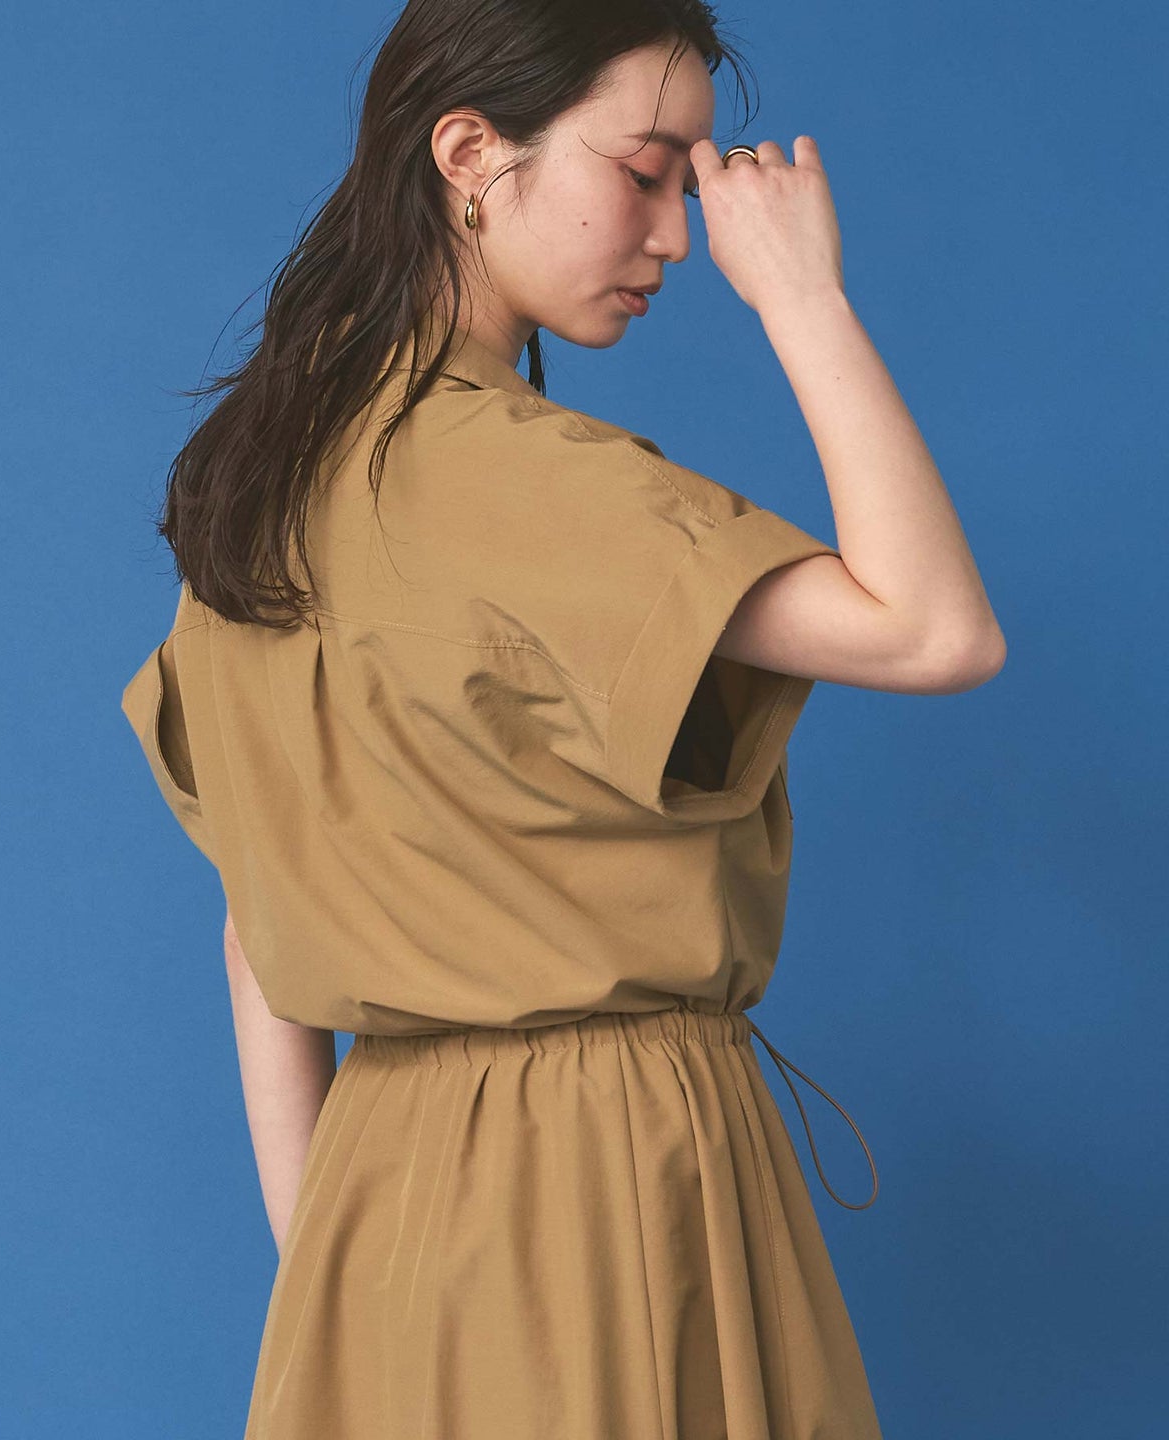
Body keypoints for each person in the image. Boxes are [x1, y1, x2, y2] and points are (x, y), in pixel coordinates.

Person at [119, 2, 1006, 1436]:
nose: (677, 237)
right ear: (470, 152)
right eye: (646, 173)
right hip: (611, 1179)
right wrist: (804, 301)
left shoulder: (256, 492)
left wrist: (326, 1275)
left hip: (373, 1206)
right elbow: (937, 629)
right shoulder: (530, 478)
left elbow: (256, 930)